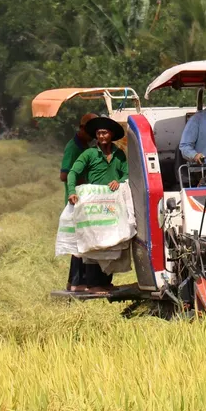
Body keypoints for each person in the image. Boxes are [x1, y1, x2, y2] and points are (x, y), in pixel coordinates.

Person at [66, 116, 129, 293]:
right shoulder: (89, 154)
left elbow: (127, 174)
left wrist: (119, 181)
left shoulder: (119, 154)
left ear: (111, 135)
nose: (101, 136)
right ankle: (93, 284)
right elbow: (72, 173)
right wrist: (72, 191)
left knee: (110, 241)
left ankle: (105, 280)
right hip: (93, 207)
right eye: (99, 133)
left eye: (105, 132)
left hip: (112, 207)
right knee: (94, 242)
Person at [61, 113, 96, 292]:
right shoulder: (73, 147)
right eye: (90, 131)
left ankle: (74, 282)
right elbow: (64, 175)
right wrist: (84, 179)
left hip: (86, 199)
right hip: (76, 199)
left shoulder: (85, 146)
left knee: (83, 241)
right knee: (79, 244)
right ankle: (77, 283)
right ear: (81, 129)